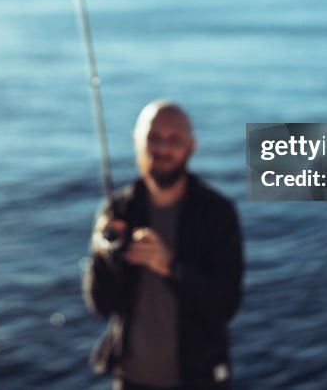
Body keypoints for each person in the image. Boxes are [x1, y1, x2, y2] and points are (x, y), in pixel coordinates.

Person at [83, 100, 244, 390]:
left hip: (200, 379)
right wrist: (103, 254)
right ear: (137, 141)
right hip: (130, 378)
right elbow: (101, 304)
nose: (162, 149)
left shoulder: (217, 212)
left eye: (174, 140)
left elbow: (225, 306)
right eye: (153, 138)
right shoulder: (117, 210)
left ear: (191, 145)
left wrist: (168, 267)